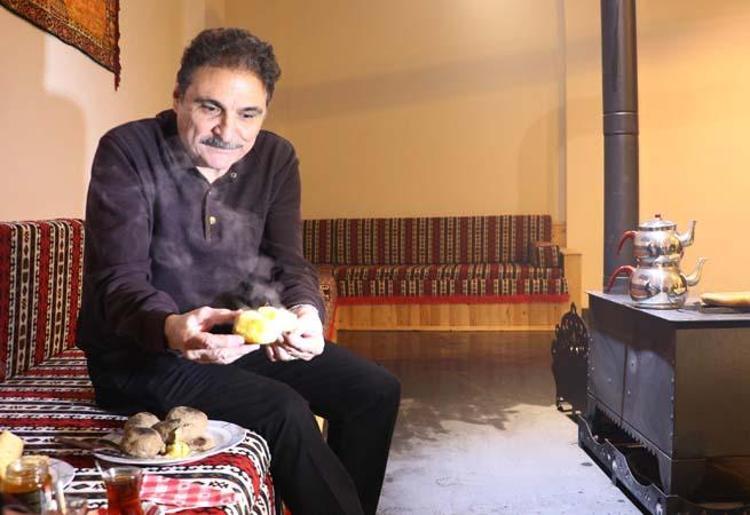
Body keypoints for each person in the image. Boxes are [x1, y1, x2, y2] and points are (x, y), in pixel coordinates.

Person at [76, 27, 400, 515]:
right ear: (178, 98)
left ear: (265, 111)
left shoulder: (275, 157)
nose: (228, 132)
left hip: (235, 342)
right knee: (284, 409)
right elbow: (118, 281)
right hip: (141, 355)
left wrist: (306, 311)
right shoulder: (127, 150)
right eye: (210, 108)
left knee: (374, 390)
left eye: (248, 114)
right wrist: (171, 327)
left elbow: (288, 260)